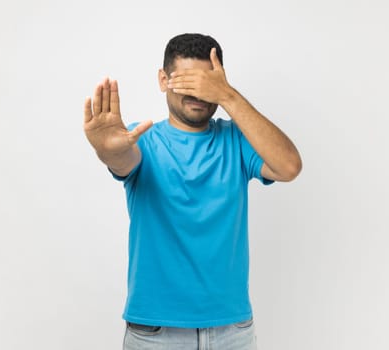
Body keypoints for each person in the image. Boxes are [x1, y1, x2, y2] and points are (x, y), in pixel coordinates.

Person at [83, 33, 302, 350]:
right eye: (186, 83)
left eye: (206, 84)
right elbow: (122, 159)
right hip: (156, 333)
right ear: (163, 80)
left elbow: (289, 167)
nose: (197, 94)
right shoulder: (140, 139)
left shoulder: (237, 141)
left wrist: (229, 96)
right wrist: (107, 151)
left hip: (232, 331)